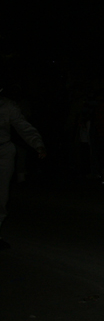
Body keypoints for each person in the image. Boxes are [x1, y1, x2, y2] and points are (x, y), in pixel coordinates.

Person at [0, 92, 46, 250]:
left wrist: (37, 143)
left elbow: (23, 126)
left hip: (3, 151)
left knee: (2, 195)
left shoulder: (7, 105)